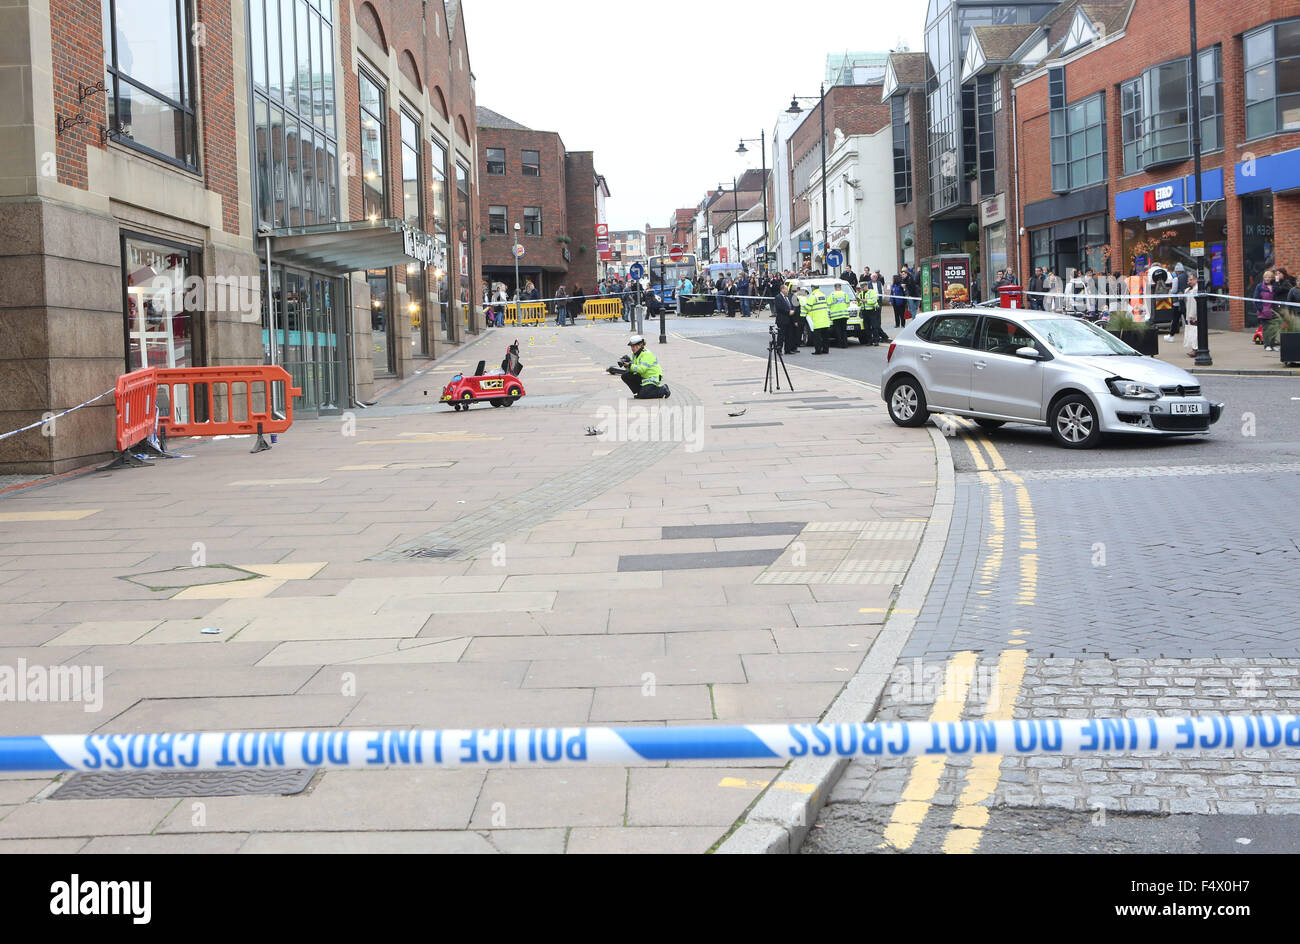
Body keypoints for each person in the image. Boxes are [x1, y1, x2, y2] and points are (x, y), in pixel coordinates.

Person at [607, 334, 670, 399]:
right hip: (644, 377)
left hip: (652, 379)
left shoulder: (646, 354)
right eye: (631, 346)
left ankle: (663, 389)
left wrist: (629, 365)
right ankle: (639, 392)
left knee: (643, 395)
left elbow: (641, 369)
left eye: (634, 346)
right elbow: (634, 370)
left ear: (640, 345)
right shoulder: (635, 354)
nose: (632, 348)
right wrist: (627, 364)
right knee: (625, 376)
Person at [773, 280, 800, 354]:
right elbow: (779, 308)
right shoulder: (778, 297)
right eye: (786, 289)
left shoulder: (787, 297)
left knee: (789, 336)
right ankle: (779, 350)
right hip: (782, 319)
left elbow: (791, 305)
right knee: (781, 336)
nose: (787, 290)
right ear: (782, 290)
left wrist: (793, 310)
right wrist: (788, 312)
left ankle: (787, 350)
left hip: (789, 319)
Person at [804, 283, 830, 354]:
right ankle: (825, 350)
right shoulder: (823, 295)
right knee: (825, 336)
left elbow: (808, 307)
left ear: (812, 288)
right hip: (825, 319)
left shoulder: (813, 296)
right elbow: (827, 304)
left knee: (817, 337)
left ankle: (818, 351)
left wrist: (804, 304)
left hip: (817, 320)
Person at [1167, 262, 1189, 339]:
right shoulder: (1187, 277)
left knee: (1175, 319)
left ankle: (1171, 336)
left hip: (1177, 302)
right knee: (1187, 318)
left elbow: (1174, 290)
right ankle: (1191, 334)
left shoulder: (1176, 279)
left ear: (1176, 271)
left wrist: (1170, 291)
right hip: (1186, 301)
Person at [828, 282, 851, 347]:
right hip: (844, 314)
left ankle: (840, 343)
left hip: (835, 316)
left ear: (835, 288)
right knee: (844, 330)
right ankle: (845, 343)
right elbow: (848, 304)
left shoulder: (832, 294)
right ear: (840, 287)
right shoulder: (844, 294)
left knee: (838, 330)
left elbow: (828, 305)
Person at [1183, 271, 1200, 358]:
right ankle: (1195, 349)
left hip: (1194, 315)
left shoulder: (1196, 290)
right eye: (1188, 280)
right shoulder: (1189, 290)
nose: (1188, 281)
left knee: (1194, 333)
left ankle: (1195, 350)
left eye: (1191, 280)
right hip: (1189, 314)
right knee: (1192, 331)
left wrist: (1192, 315)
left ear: (1196, 280)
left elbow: (1194, 303)